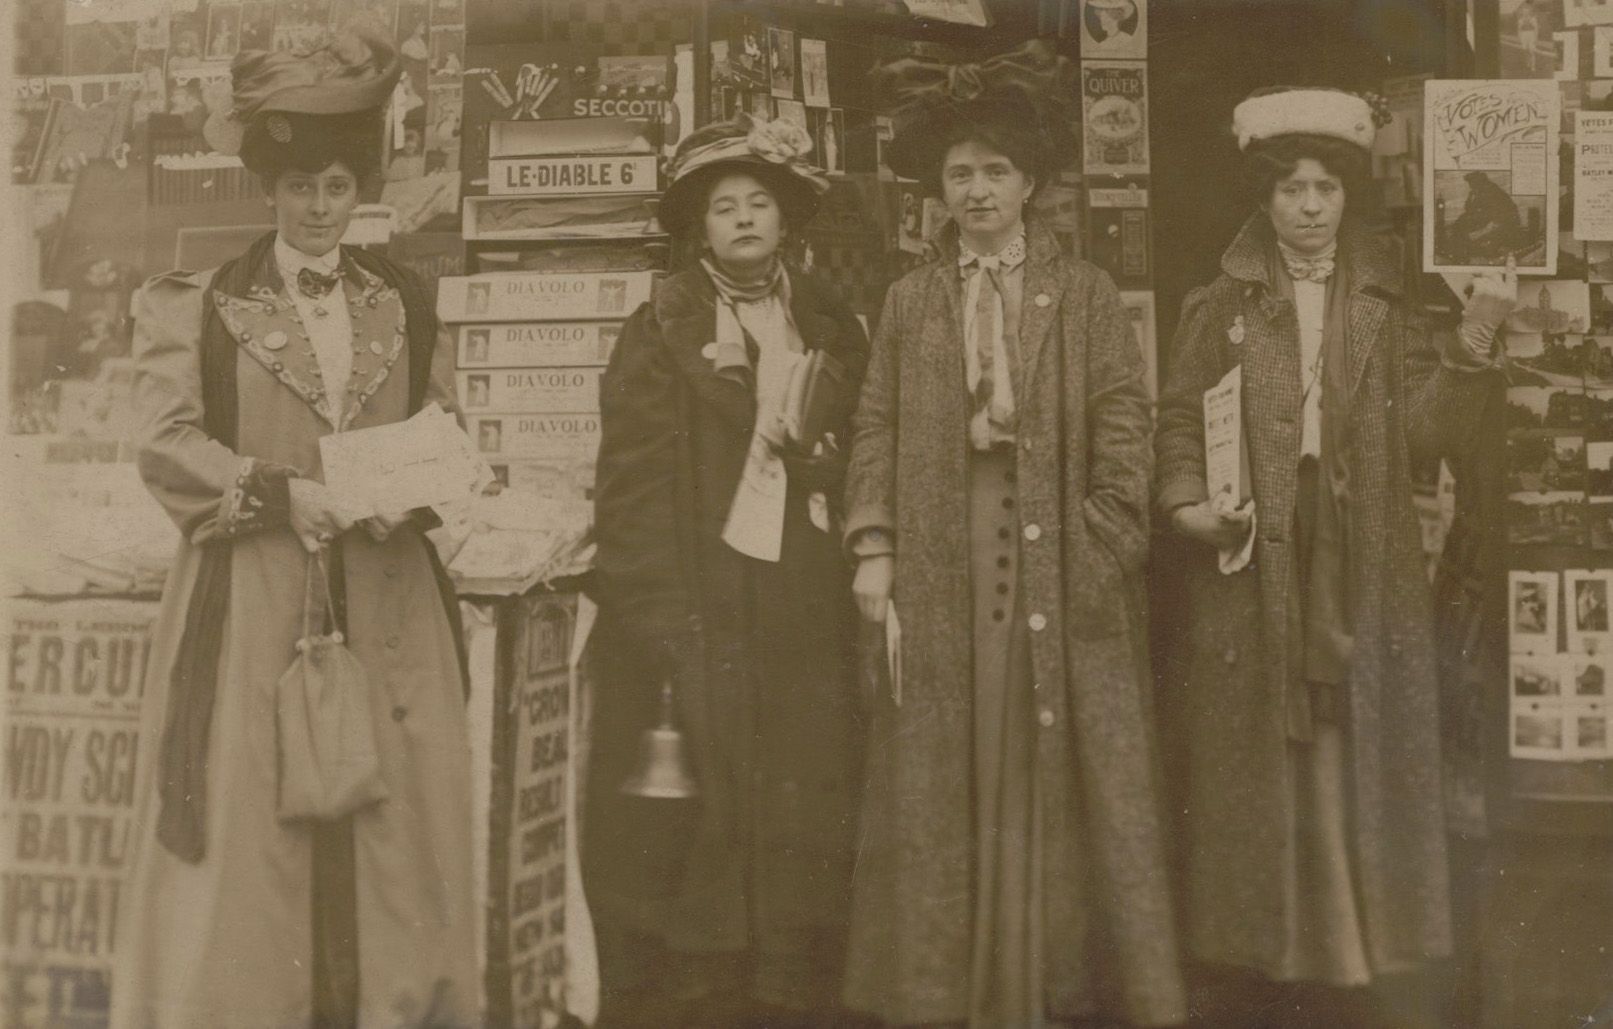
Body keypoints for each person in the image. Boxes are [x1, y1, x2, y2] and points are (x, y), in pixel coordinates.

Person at [111, 28, 478, 1028]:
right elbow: (162, 442)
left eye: (334, 188)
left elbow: (439, 428)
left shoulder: (403, 300)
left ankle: (395, 1006)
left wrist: (431, 477)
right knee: (252, 815)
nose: (318, 209)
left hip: (386, 595)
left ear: (359, 192)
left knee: (392, 818)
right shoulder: (199, 305)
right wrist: (278, 493)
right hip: (256, 596)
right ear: (267, 192)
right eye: (300, 189)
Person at [1153, 86, 1516, 1026]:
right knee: (1275, 750)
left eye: (1325, 188)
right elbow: (1177, 417)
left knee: (1356, 740)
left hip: (1363, 557)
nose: (1309, 207)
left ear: (1348, 197)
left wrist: (1474, 335)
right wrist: (1189, 502)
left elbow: (1429, 434)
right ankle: (1267, 949)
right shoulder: (1219, 302)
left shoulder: (1388, 306)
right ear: (1263, 199)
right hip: (1254, 554)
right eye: (1290, 190)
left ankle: (1358, 949)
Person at [842, 45, 1186, 1028]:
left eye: (995, 171)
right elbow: (873, 421)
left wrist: (1106, 535)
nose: (978, 190)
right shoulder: (912, 300)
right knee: (948, 759)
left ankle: (1044, 990)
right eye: (959, 174)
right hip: (945, 557)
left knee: (1052, 770)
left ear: (1029, 183)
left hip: (1060, 561)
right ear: (937, 193)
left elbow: (1126, 410)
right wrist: (876, 546)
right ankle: (949, 992)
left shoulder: (1078, 294)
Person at [587, 113, 869, 1027]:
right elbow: (626, 486)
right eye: (723, 208)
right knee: (706, 787)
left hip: (803, 592)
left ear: (785, 221)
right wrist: (659, 611)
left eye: (759, 204)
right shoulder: (658, 326)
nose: (744, 220)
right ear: (697, 229)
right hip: (703, 597)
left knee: (804, 777)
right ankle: (704, 984)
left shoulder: (830, 317)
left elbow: (866, 444)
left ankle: (789, 975)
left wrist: (819, 460)